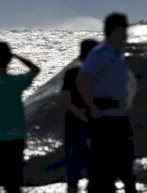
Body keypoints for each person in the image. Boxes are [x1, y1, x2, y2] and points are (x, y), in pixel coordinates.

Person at [77, 13, 137, 193]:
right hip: (105, 118)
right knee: (103, 171)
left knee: (126, 166)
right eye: (123, 30)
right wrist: (91, 107)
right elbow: (84, 80)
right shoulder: (100, 54)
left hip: (119, 116)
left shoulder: (119, 55)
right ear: (114, 31)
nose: (126, 34)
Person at [0, 42, 40, 193]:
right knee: (16, 178)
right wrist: (16, 57)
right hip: (17, 134)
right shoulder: (16, 81)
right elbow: (35, 69)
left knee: (3, 178)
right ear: (9, 60)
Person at [61, 39, 98, 193]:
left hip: (73, 127)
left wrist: (79, 114)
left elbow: (66, 100)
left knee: (73, 173)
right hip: (95, 126)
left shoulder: (71, 73)